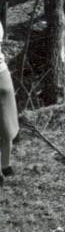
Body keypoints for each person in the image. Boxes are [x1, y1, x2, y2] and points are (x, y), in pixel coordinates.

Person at [0, 21, 19, 181]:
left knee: (6, 123)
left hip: (2, 75)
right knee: (5, 123)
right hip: (2, 74)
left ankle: (5, 164)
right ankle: (4, 166)